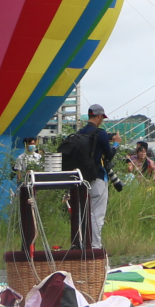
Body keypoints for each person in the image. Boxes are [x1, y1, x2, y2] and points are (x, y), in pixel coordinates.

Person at [67, 105, 119, 249]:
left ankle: (80, 245)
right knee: (96, 215)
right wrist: (116, 143)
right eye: (102, 118)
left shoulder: (80, 133)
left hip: (80, 180)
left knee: (82, 214)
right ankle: (95, 247)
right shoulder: (100, 133)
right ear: (99, 116)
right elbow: (109, 155)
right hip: (97, 178)